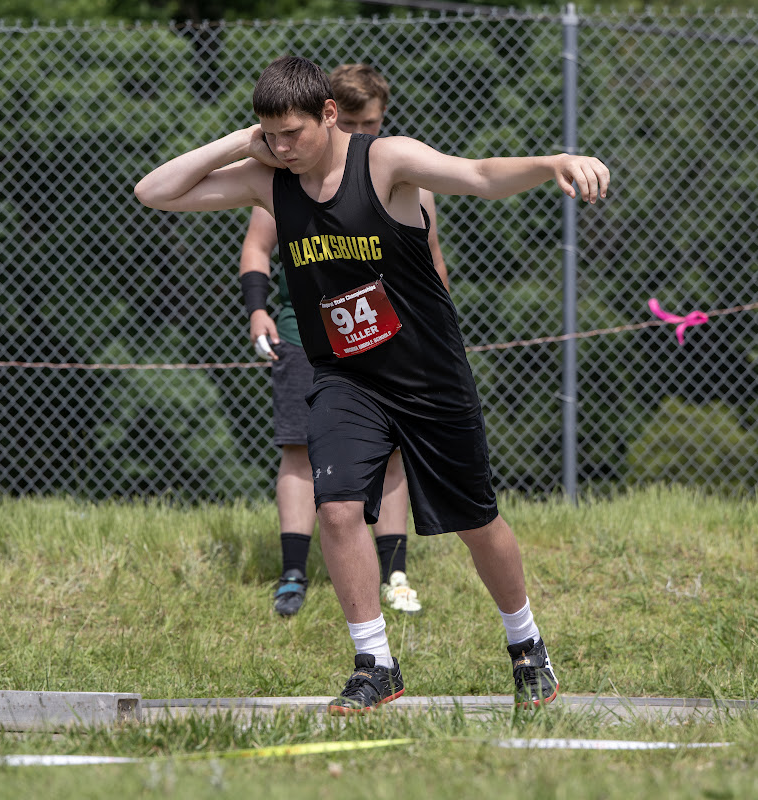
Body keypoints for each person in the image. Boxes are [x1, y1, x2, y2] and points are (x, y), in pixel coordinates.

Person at [134, 55, 610, 713]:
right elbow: (153, 191)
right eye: (270, 135)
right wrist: (243, 142)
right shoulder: (270, 180)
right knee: (335, 506)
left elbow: (477, 175)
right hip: (345, 376)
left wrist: (550, 162)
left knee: (476, 520)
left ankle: (526, 646)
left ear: (329, 114)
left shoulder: (384, 162)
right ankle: (374, 662)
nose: (282, 147)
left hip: (426, 373)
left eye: (292, 133)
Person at [239, 64, 449, 618]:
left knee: (396, 454)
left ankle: (395, 570)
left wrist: (440, 334)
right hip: (309, 332)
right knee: (299, 447)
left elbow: (430, 260)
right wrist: (258, 310)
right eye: (352, 122)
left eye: (371, 122)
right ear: (330, 116)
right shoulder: (290, 175)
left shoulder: (396, 173)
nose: (362, 134)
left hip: (389, 337)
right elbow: (258, 246)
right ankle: (292, 572)